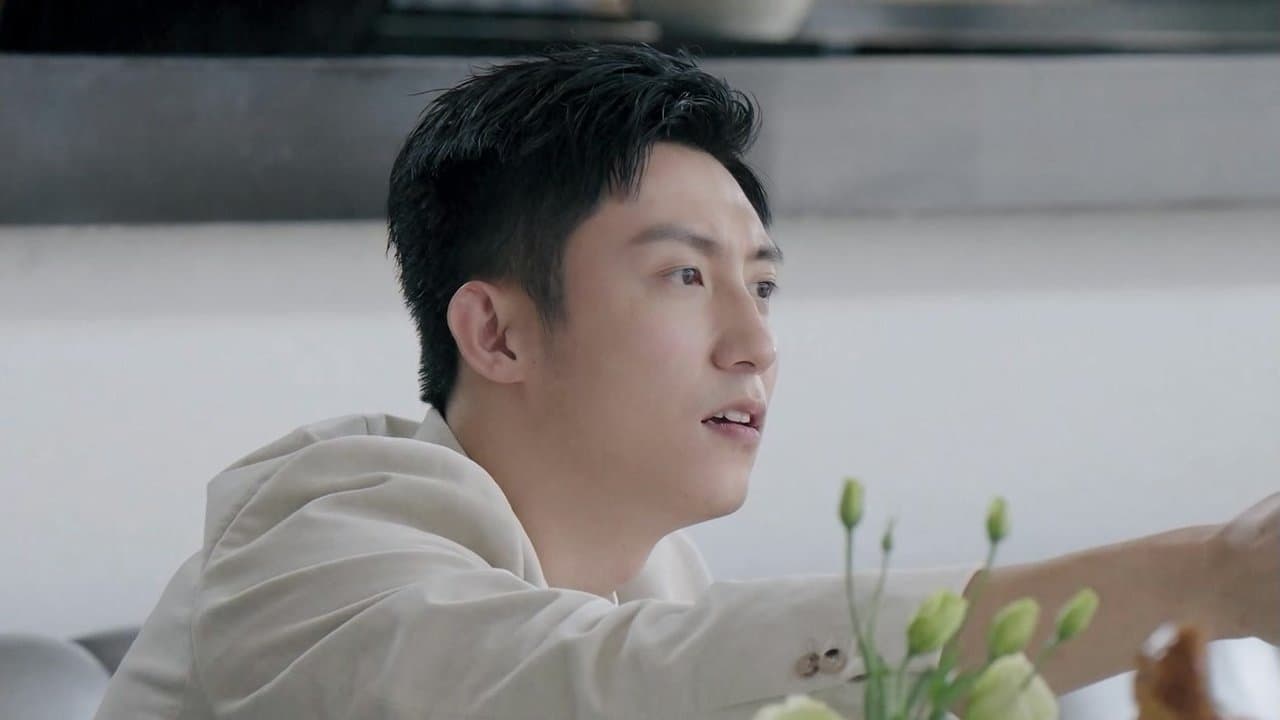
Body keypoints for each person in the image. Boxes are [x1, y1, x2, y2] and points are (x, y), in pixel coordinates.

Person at [94, 44, 1278, 720]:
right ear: (496, 334)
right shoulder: (313, 544)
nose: (753, 342)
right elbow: (589, 687)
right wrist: (1203, 576)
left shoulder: (648, 586)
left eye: (760, 285)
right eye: (683, 277)